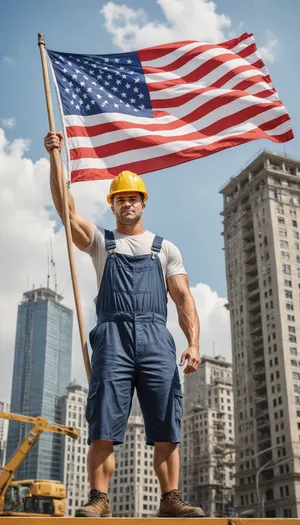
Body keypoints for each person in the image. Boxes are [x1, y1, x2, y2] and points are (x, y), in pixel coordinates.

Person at [44, 131, 204, 519]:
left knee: (166, 422)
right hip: (112, 337)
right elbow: (65, 210)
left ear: (142, 203)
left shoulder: (163, 248)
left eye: (132, 197)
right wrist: (55, 157)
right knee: (104, 423)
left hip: (155, 338)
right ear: (112, 205)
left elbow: (183, 298)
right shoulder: (102, 242)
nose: (126, 202)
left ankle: (170, 499)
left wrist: (193, 342)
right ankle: (99, 498)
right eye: (120, 198)